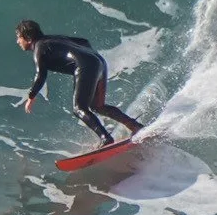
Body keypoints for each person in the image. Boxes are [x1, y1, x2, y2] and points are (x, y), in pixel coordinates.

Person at [16, 20, 144, 146]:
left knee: (79, 109)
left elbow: (40, 75)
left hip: (85, 66)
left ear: (28, 38)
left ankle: (106, 138)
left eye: (19, 38)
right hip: (99, 62)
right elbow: (84, 42)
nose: (18, 42)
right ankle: (136, 126)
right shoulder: (54, 39)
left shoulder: (39, 47)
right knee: (98, 106)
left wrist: (31, 97)